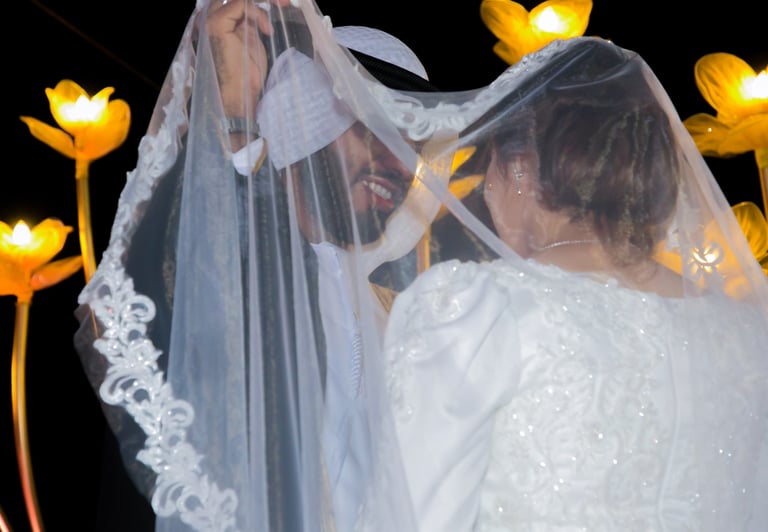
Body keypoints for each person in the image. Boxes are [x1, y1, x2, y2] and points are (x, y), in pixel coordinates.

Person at [366, 37, 768, 531]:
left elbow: (410, 517)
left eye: (490, 168)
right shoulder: (747, 335)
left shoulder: (477, 308)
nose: (487, 190)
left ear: (518, 168)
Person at [73, 1, 444, 531]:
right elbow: (147, 305)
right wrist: (233, 114)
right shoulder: (227, 252)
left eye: (413, 145)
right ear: (306, 112)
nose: (399, 163)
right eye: (374, 129)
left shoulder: (398, 317)